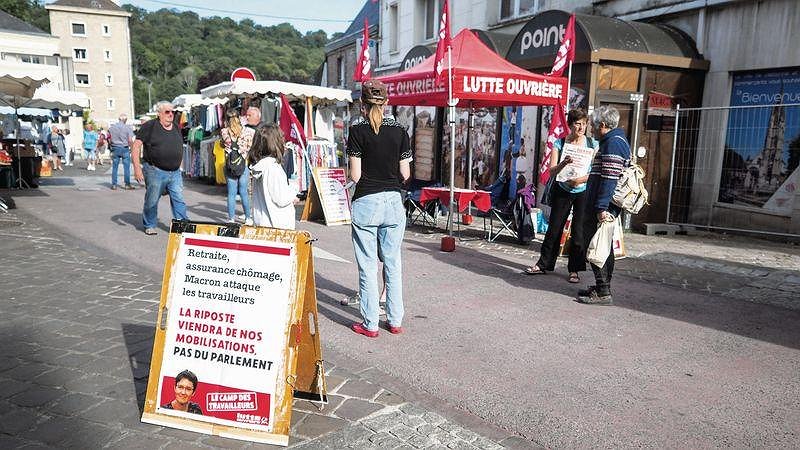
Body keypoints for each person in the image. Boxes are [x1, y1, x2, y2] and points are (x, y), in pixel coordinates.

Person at [347, 79, 412, 338]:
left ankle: (371, 324)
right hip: (394, 202)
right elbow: (405, 173)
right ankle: (395, 320)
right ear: (386, 103)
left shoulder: (357, 131)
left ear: (362, 104)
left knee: (367, 266)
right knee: (392, 264)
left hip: (367, 201)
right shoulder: (400, 131)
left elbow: (355, 174)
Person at [525, 109, 598, 283]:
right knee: (554, 228)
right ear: (570, 124)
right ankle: (544, 264)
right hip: (563, 189)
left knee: (578, 231)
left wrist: (580, 179)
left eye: (584, 123)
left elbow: (596, 171)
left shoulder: (592, 144)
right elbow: (551, 171)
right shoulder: (560, 143)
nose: (581, 127)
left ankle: (575, 270)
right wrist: (563, 163)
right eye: (577, 124)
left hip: (582, 190)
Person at [577, 105, 631, 305]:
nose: (590, 129)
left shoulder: (613, 143)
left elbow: (609, 178)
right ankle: (602, 287)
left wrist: (601, 208)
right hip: (604, 204)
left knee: (597, 245)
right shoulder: (615, 140)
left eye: (592, 125)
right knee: (604, 245)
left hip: (603, 206)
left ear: (602, 125)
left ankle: (603, 291)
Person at [132, 101, 189, 236]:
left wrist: (179, 165)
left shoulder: (175, 126)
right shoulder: (149, 126)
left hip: (174, 172)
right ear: (159, 114)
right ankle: (150, 224)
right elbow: (135, 146)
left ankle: (182, 224)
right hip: (154, 170)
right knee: (152, 199)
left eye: (172, 112)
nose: (171, 115)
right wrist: (137, 168)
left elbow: (178, 146)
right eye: (167, 112)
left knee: (178, 198)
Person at [248, 124, 299, 229]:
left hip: (262, 222)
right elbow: (281, 199)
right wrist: (294, 187)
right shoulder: (273, 168)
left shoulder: (260, 166)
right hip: (277, 225)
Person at [221, 109, 255, 224]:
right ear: (239, 117)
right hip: (243, 165)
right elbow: (251, 147)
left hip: (230, 165)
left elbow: (222, 144)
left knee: (231, 193)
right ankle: (248, 218)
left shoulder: (225, 132)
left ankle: (231, 219)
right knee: (244, 192)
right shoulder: (249, 132)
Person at [109, 114, 136, 190]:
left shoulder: (112, 127)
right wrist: (132, 148)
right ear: (125, 120)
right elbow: (130, 140)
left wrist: (112, 146)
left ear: (119, 119)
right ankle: (127, 184)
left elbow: (110, 139)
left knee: (115, 167)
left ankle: (114, 184)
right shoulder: (128, 128)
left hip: (115, 147)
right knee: (126, 167)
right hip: (125, 148)